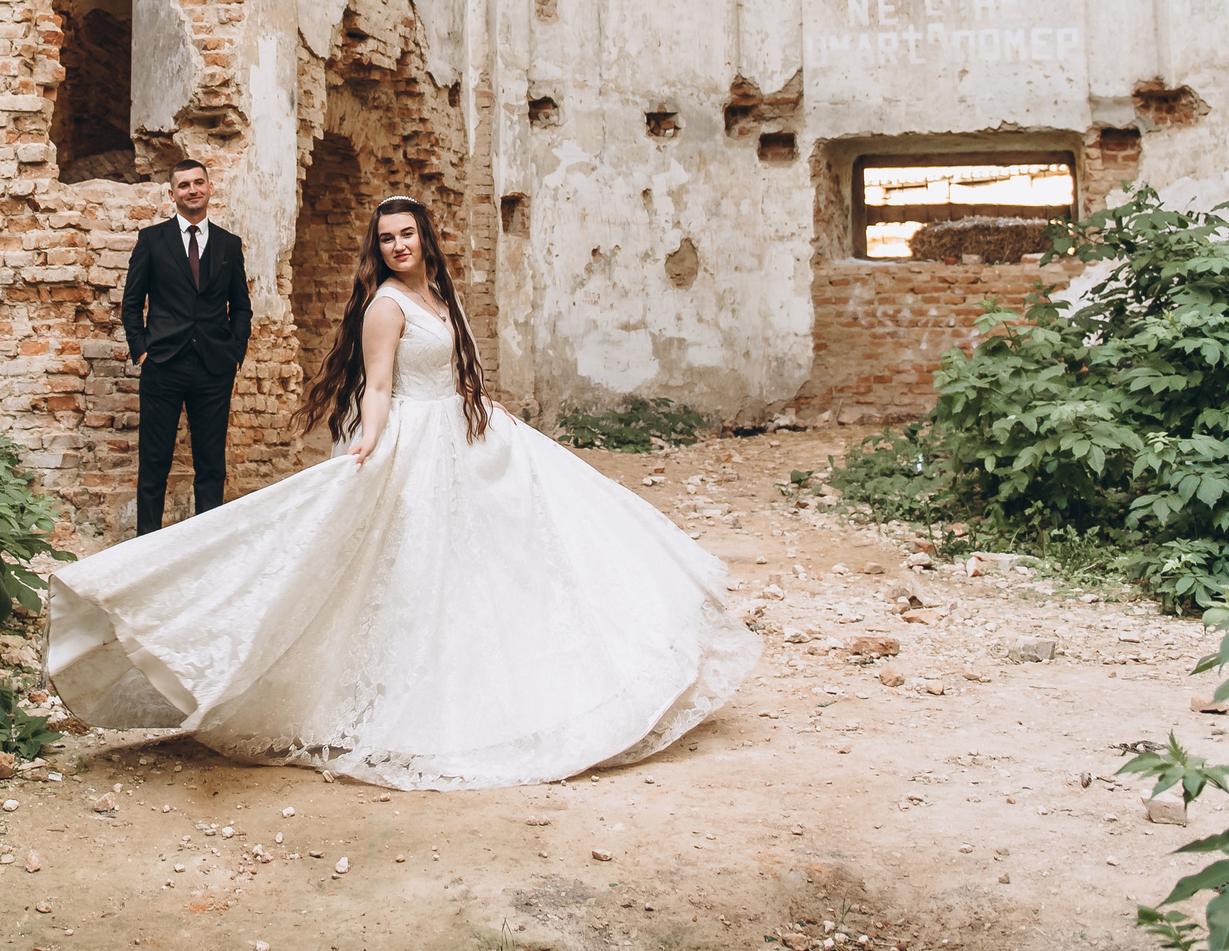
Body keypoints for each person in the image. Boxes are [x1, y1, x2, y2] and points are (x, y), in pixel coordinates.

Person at [48, 194, 761, 790]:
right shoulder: (385, 306)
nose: (396, 244)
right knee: (421, 568)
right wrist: (368, 439)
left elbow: (462, 367)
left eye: (406, 233)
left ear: (425, 237)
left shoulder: (440, 293)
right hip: (416, 437)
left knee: (531, 548)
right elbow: (379, 384)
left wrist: (493, 407)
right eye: (385, 237)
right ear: (377, 246)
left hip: (471, 432)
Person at [120, 158, 253, 535]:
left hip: (215, 367)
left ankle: (205, 544)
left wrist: (235, 352)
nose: (192, 190)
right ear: (171, 193)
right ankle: (146, 543)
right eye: (184, 185)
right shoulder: (151, 240)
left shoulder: (229, 244)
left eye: (199, 183)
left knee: (212, 464)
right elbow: (132, 303)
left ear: (211, 188)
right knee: (154, 462)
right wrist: (141, 349)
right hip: (163, 364)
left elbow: (241, 305)